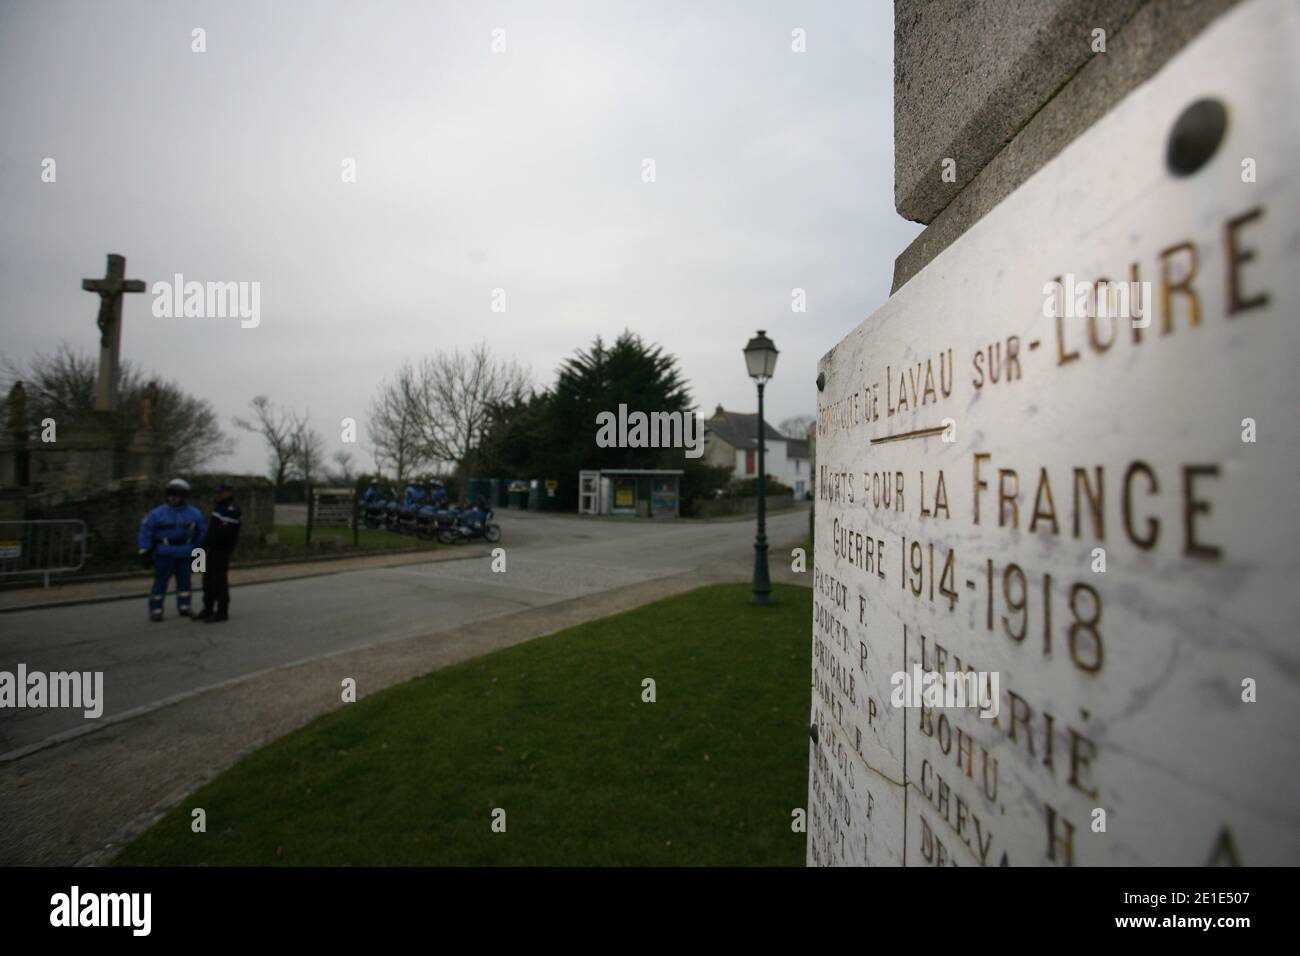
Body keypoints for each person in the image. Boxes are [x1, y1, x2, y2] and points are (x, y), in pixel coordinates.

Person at [137, 478, 206, 623]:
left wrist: (199, 551)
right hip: (164, 553)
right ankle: (156, 609)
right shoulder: (157, 513)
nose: (173, 498)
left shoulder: (194, 513)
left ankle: (184, 606)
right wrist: (144, 549)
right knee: (160, 582)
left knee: (185, 582)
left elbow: (202, 532)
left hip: (186, 553)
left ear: (183, 496)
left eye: (177, 495)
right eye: (170, 494)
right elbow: (146, 530)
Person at [195, 482, 241, 623]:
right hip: (209, 548)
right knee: (207, 579)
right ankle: (207, 608)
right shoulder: (219, 507)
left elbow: (222, 534)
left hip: (221, 550)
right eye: (217, 493)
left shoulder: (231, 509)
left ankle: (222, 611)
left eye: (221, 493)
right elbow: (211, 530)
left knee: (219, 580)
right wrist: (201, 548)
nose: (218, 495)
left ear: (229, 493)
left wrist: (207, 544)